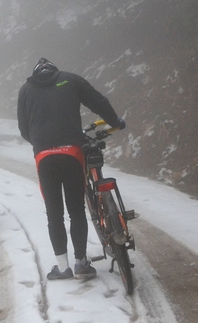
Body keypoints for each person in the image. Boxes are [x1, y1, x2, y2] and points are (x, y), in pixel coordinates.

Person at [17, 58, 126, 280]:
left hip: (44, 156)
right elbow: (98, 101)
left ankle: (62, 267)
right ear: (54, 70)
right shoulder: (70, 79)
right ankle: (81, 265)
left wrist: (41, 144)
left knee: (54, 212)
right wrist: (113, 120)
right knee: (76, 209)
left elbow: (23, 127)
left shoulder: (25, 90)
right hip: (72, 152)